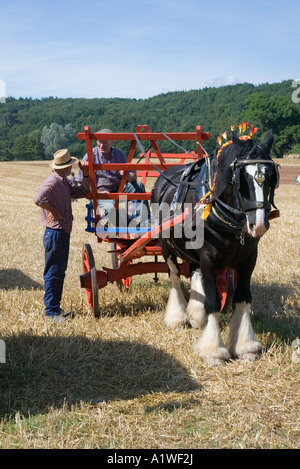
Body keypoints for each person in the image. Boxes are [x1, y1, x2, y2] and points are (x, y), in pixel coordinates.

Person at [34, 149, 90, 323]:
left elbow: (83, 192)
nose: (72, 168)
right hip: (55, 233)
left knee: (59, 272)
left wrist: (86, 174)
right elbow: (38, 200)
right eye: (70, 165)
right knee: (53, 272)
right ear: (64, 167)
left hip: (61, 232)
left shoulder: (64, 182)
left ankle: (55, 308)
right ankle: (51, 312)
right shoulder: (52, 183)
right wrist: (55, 213)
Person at [75, 129, 150, 225]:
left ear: (112, 142)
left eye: (105, 143)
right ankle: (124, 223)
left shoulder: (119, 155)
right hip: (98, 193)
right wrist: (98, 192)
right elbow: (83, 183)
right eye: (99, 142)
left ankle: (145, 222)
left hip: (119, 189)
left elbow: (133, 174)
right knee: (111, 208)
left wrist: (130, 177)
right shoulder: (90, 156)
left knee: (138, 186)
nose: (101, 146)